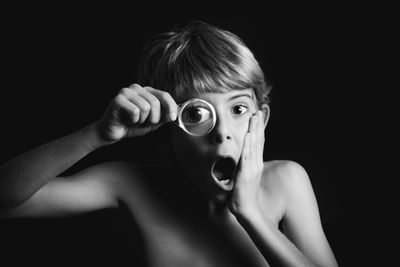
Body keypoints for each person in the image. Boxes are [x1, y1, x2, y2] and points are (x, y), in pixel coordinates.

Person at [0, 21, 338, 267]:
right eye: (197, 114)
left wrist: (249, 212)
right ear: (167, 130)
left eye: (237, 109)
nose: (222, 132)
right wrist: (96, 135)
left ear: (260, 120)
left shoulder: (286, 181)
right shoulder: (131, 184)